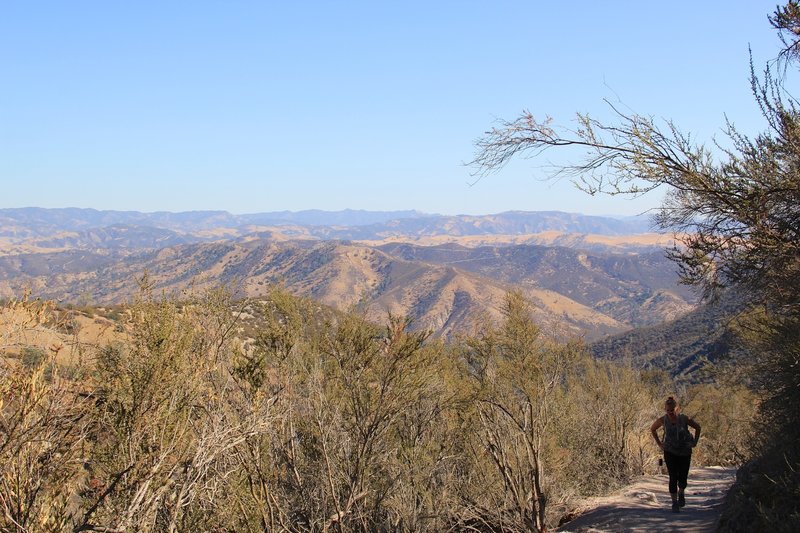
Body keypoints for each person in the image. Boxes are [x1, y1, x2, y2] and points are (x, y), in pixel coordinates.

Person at [650, 396, 701, 513]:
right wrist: (659, 444)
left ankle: (681, 492)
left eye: (672, 410)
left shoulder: (684, 419)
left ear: (677, 409)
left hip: (684, 451)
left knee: (683, 476)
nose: (670, 413)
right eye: (667, 410)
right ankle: (674, 502)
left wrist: (694, 442)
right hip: (670, 451)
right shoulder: (663, 420)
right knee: (673, 476)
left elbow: (698, 427)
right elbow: (652, 429)